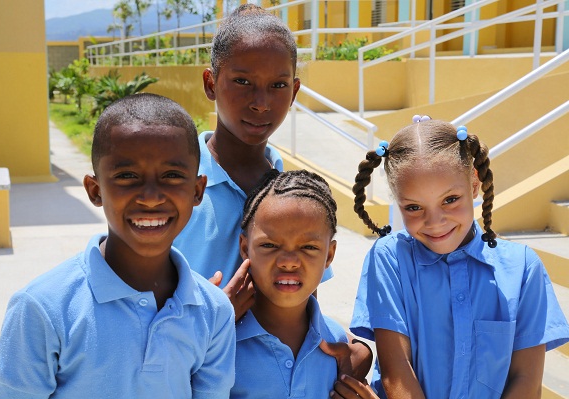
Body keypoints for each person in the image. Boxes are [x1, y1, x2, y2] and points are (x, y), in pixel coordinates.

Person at [0, 93, 236, 399]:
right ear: (95, 191)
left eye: (172, 175)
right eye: (127, 176)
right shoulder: (42, 308)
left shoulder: (213, 311)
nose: (151, 197)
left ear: (198, 191)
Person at [349, 116, 569, 398]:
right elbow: (397, 371)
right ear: (397, 200)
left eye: (450, 199)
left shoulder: (523, 268)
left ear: (474, 185)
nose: (435, 221)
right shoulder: (389, 258)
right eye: (414, 207)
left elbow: (525, 380)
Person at [172, 3, 335, 320]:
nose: (261, 103)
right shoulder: (173, 186)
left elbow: (307, 306)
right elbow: (141, 306)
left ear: (294, 91)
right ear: (210, 84)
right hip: (188, 366)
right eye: (243, 82)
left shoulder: (296, 194)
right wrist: (216, 318)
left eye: (278, 85)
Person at [231, 169, 376, 399]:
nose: (289, 262)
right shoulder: (222, 341)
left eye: (308, 247)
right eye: (269, 245)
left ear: (329, 256)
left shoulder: (338, 345)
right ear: (244, 248)